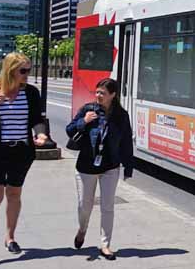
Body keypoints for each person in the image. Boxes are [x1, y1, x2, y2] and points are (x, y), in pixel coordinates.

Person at [0, 52, 49, 265]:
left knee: (14, 193)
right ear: (10, 69)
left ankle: (10, 237)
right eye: (23, 70)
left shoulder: (31, 92)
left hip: (21, 152)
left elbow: (36, 119)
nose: (27, 75)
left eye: (29, 70)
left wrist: (41, 134)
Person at [66, 78, 133, 260]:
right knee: (84, 206)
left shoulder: (121, 115)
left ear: (113, 95)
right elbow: (70, 130)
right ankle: (82, 229)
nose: (98, 96)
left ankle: (105, 244)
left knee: (107, 206)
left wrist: (128, 166)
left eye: (102, 93)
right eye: (97, 92)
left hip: (110, 166)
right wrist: (83, 122)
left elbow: (126, 142)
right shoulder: (88, 110)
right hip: (86, 166)